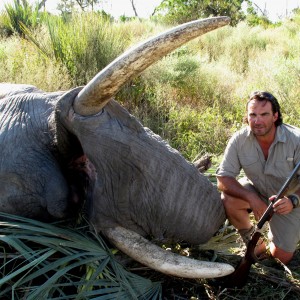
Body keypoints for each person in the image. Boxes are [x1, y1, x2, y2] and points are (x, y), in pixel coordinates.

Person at [216, 91, 300, 264]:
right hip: (259, 192)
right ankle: (256, 244)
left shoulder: (296, 140)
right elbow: (223, 178)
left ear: (275, 116)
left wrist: (293, 200)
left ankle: (281, 232)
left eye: (264, 114)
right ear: (246, 117)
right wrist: (251, 198)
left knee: (281, 258)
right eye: (252, 115)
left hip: (289, 203)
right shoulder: (239, 140)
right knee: (229, 199)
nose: (257, 121)